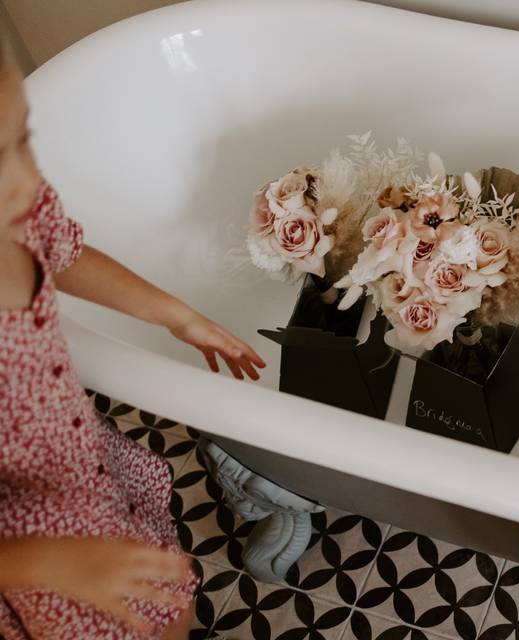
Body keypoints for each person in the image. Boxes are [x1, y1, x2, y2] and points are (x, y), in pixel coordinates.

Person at [0, 34, 266, 639]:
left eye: (23, 140)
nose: (25, 178)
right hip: (31, 552)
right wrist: (44, 562)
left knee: (170, 603)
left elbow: (62, 251)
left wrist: (174, 314)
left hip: (81, 468)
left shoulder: (17, 213)